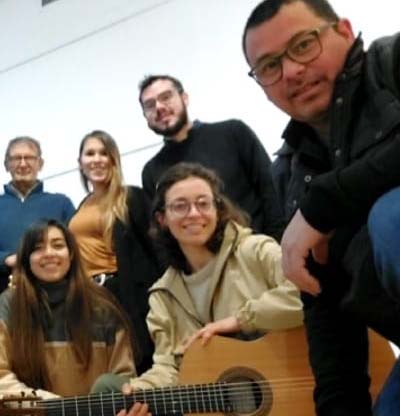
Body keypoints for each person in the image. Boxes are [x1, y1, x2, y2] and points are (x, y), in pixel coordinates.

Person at [242, 1, 400, 414]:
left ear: (344, 31)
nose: (291, 71)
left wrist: (327, 203)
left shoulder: (393, 62)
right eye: (269, 67)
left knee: (391, 215)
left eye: (304, 44)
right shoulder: (293, 175)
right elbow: (326, 314)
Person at [128, 163, 302, 389]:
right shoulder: (162, 295)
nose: (193, 214)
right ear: (162, 219)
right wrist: (141, 390)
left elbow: (307, 293)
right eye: (180, 206)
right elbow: (169, 368)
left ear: (217, 209)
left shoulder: (255, 250)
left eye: (203, 203)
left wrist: (241, 320)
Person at [0, 219, 149, 416]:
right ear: (27, 258)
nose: (49, 254)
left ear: (70, 254)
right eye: (38, 248)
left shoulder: (102, 305)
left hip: (91, 413)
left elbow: (121, 378)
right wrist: (51, 405)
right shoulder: (9, 304)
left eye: (58, 245)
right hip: (37, 411)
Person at [138, 74, 284, 239]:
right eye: (149, 105)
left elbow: (270, 190)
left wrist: (278, 245)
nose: (159, 107)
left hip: (260, 250)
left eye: (166, 97)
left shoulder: (233, 133)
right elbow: (162, 233)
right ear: (145, 116)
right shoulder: (151, 171)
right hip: (203, 264)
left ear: (184, 98)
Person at [69, 130, 162, 374]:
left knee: (139, 365)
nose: (97, 159)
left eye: (103, 153)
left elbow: (157, 251)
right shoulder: (82, 205)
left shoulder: (131, 197)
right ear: (80, 163)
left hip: (124, 295)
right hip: (89, 298)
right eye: (90, 153)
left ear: (113, 159)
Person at [0, 136, 75, 341]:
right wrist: (7, 259)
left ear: (40, 163)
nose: (22, 163)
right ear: (6, 165)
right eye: (16, 158)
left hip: (51, 305)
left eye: (29, 158)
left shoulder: (61, 204)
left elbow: (74, 249)